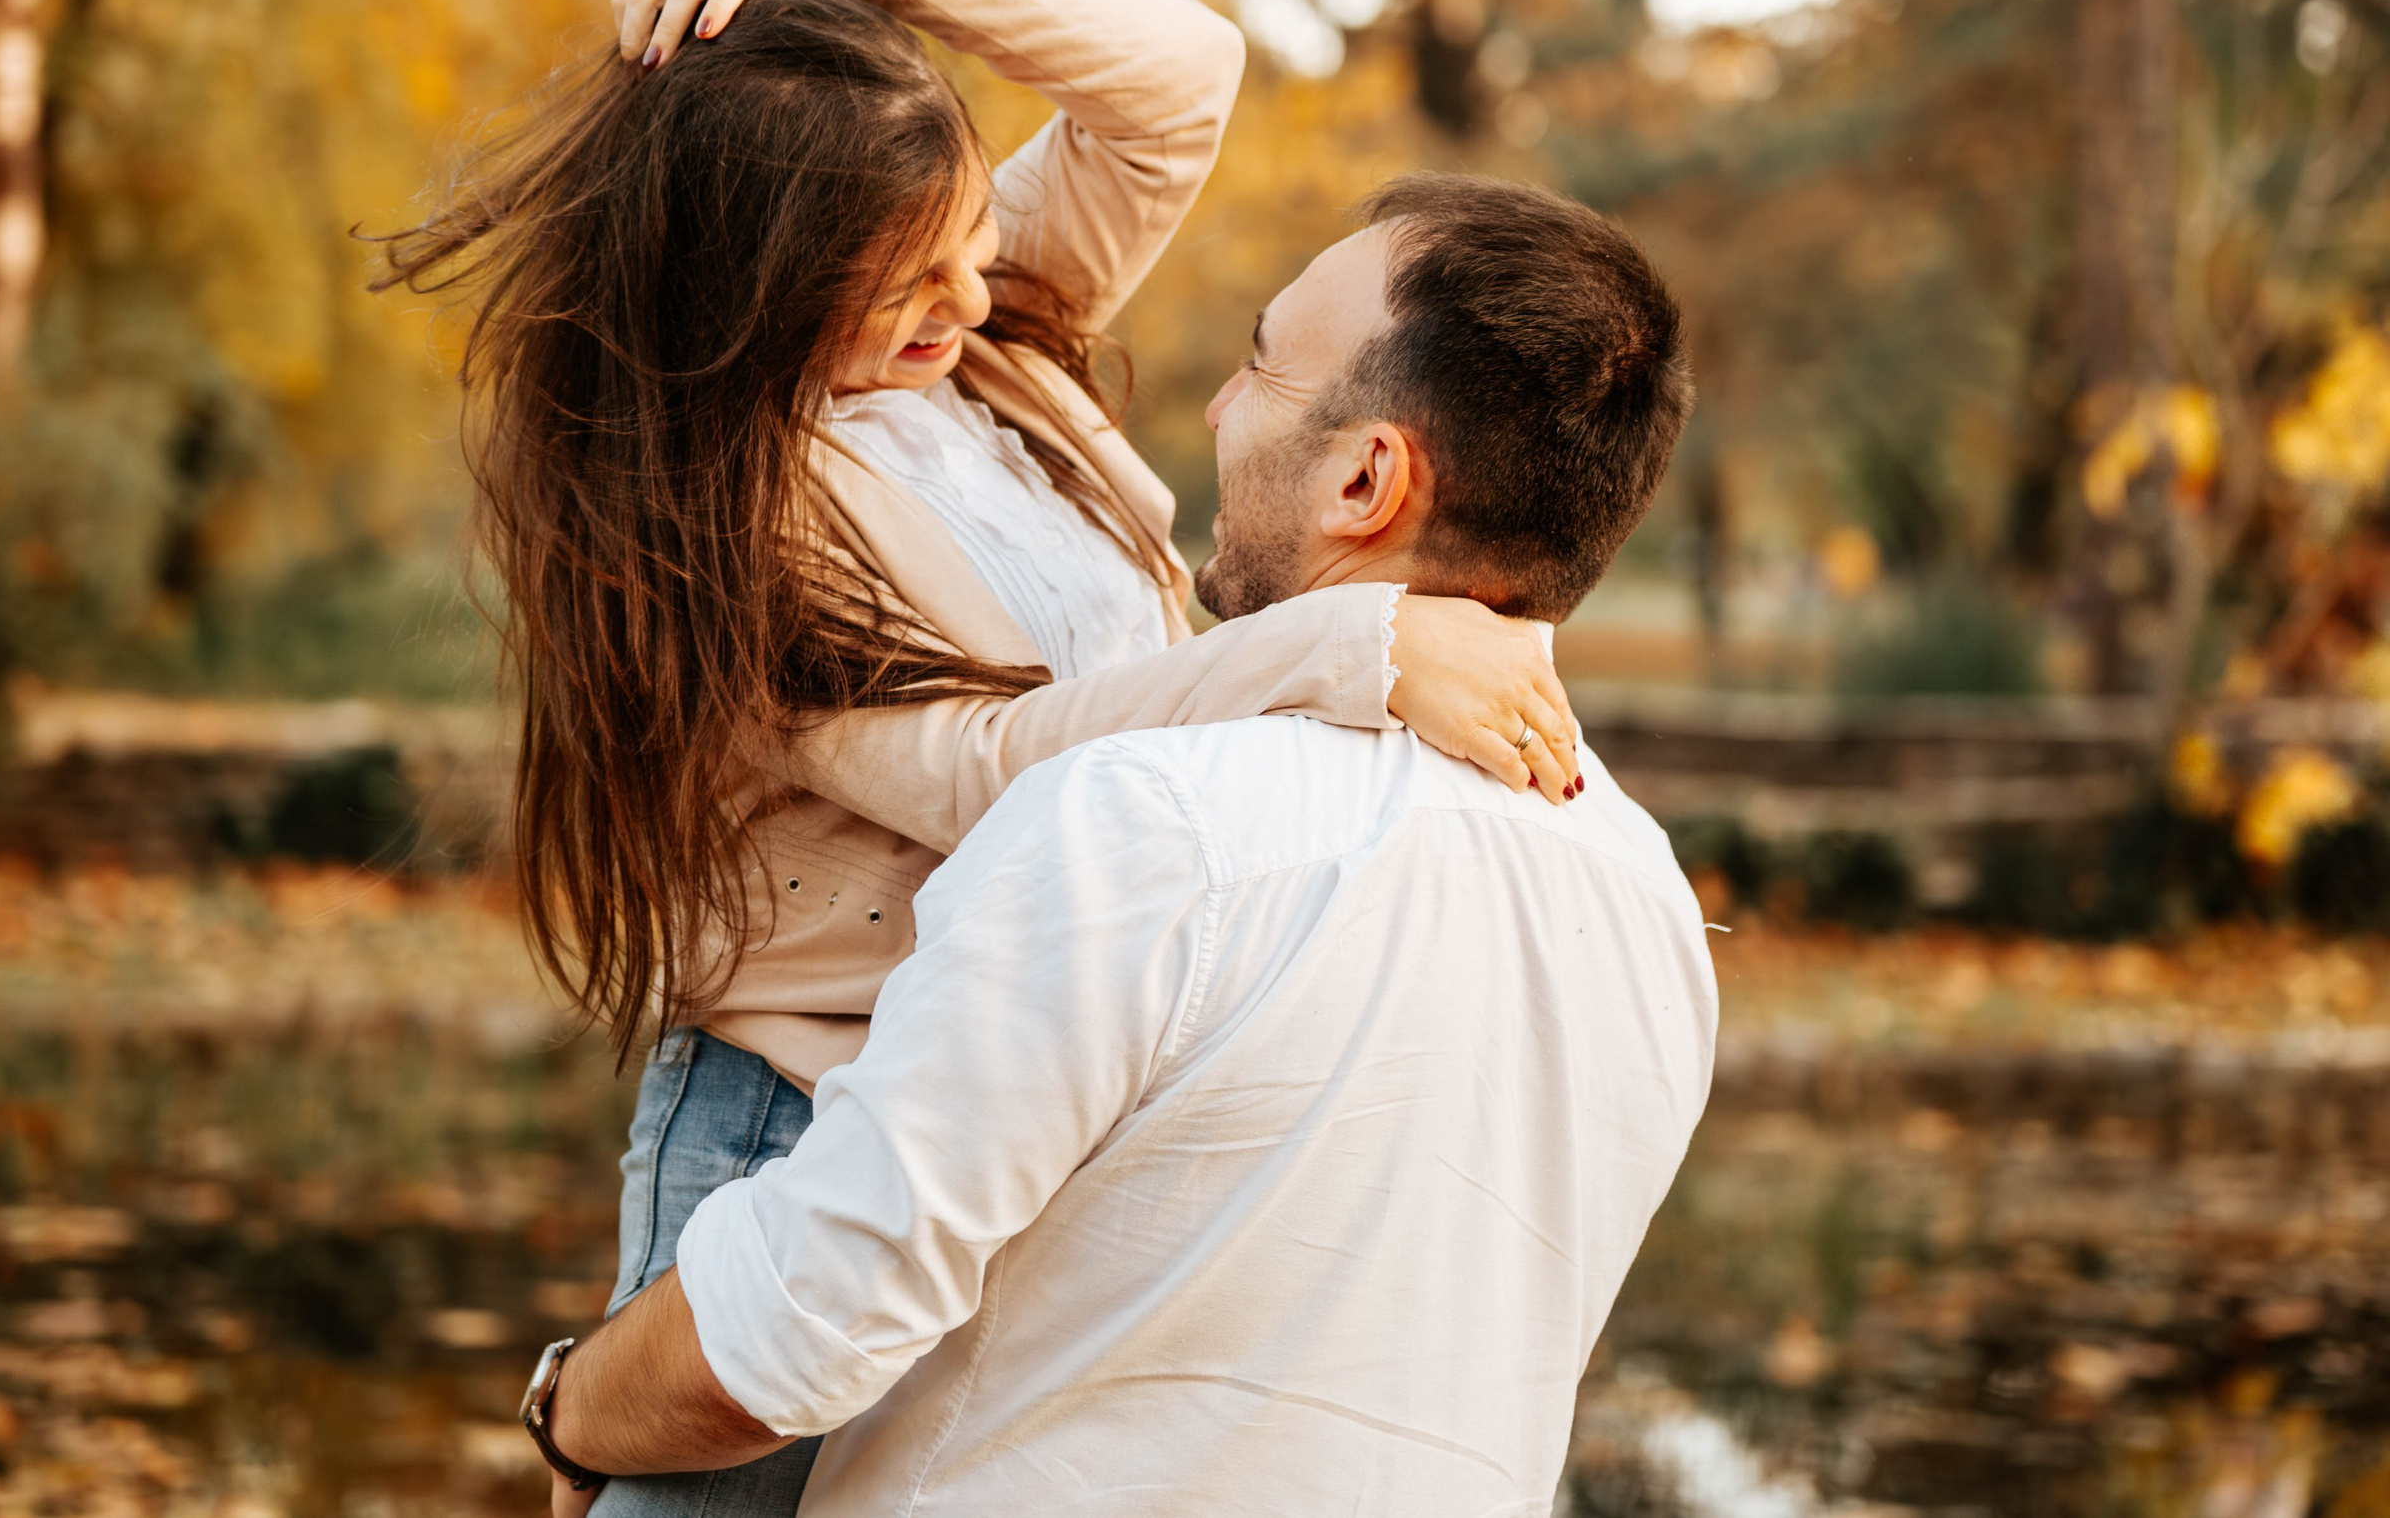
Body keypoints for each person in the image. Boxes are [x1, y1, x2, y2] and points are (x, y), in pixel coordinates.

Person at [375, 0, 1590, 1516]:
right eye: (906, 280)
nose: (966, 296)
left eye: (968, 242)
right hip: (797, 1125)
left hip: (1018, 1092)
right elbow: (992, 770)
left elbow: (1177, 80)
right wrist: (1363, 645)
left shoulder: (994, 349)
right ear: (758, 281)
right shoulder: (712, 518)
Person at [531, 172, 1714, 1516]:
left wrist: (569, 1413)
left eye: (1261, 369)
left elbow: (778, 1342)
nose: (1212, 407)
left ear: (1364, 477)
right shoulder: (1647, 905)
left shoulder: (1145, 827)